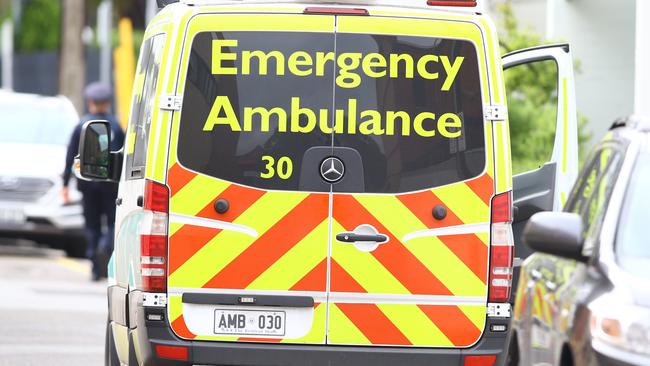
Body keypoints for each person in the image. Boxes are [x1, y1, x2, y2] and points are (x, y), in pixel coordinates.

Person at [62, 82, 125, 281]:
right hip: (111, 184)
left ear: (90, 102)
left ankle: (94, 265)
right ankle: (105, 247)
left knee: (91, 224)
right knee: (113, 221)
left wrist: (65, 184)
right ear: (107, 103)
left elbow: (71, 156)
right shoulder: (115, 126)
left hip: (87, 184)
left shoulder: (81, 125)